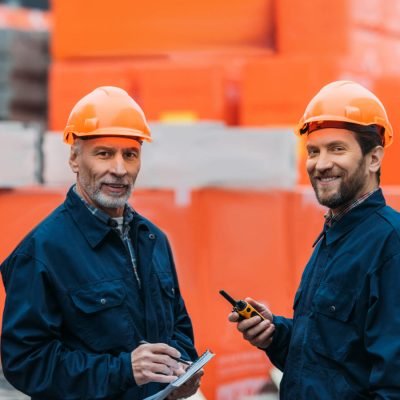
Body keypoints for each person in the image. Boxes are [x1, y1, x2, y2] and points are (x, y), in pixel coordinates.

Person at [1, 86, 202, 399]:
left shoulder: (153, 240)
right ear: (75, 158)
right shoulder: (42, 252)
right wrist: (123, 371)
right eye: (104, 153)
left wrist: (179, 372)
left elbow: (178, 326)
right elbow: (27, 363)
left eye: (130, 155)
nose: (119, 169)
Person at [228, 80, 400, 399]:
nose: (321, 164)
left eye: (337, 149)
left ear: (374, 158)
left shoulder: (390, 244)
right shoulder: (334, 236)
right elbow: (329, 362)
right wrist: (275, 335)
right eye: (313, 151)